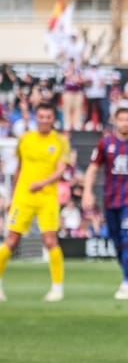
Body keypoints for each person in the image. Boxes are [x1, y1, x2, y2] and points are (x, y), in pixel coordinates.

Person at [81, 107, 128, 299]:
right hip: (110, 200)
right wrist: (87, 192)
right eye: (121, 119)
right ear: (115, 121)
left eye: (127, 120)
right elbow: (92, 168)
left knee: (127, 238)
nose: (124, 123)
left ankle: (127, 283)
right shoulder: (105, 143)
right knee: (117, 243)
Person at [0, 103, 69, 302]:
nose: (45, 120)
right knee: (11, 240)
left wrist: (42, 183)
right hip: (23, 197)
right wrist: (13, 196)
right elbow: (19, 169)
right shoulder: (25, 139)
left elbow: (61, 169)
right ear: (35, 118)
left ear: (53, 118)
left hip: (47, 197)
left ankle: (57, 288)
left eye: (48, 116)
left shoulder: (60, 141)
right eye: (41, 116)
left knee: (50, 241)